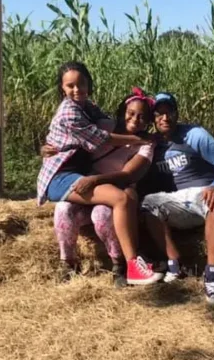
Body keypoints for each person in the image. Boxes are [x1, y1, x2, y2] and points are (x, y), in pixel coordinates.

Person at [37, 61, 163, 285]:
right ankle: (71, 263)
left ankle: (121, 265)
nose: (77, 90)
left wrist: (94, 178)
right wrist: (138, 138)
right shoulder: (71, 113)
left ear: (89, 84)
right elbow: (101, 138)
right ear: (62, 89)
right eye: (70, 86)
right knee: (72, 208)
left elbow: (129, 175)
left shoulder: (88, 108)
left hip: (80, 175)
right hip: (63, 176)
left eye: (81, 84)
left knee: (110, 208)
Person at [140, 92, 214, 305]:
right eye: (159, 114)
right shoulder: (153, 146)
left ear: (176, 114)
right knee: (147, 204)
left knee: (212, 201)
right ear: (153, 119)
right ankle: (175, 264)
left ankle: (212, 274)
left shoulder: (193, 134)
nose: (165, 118)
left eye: (169, 112)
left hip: (207, 192)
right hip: (180, 200)